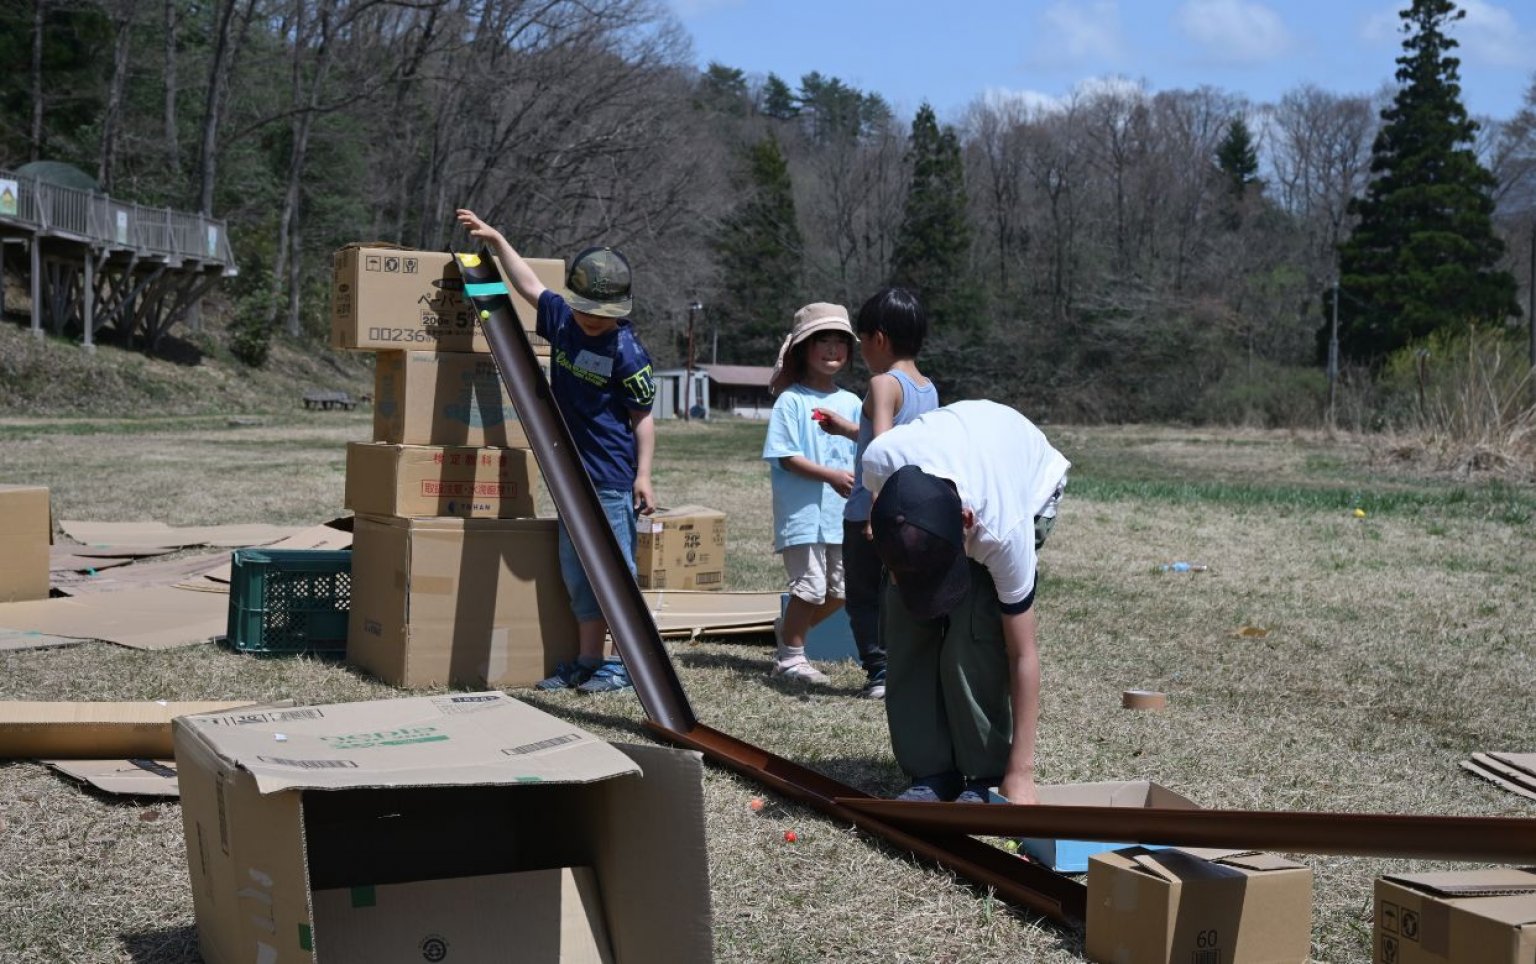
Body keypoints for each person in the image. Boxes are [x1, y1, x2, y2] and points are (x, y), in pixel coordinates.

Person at [456, 208, 656, 694]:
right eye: (585, 309)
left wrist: (643, 476)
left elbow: (643, 420)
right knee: (578, 572)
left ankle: (625, 664)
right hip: (568, 474)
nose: (591, 320)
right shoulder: (563, 321)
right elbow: (528, 285)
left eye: (602, 314)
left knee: (614, 572)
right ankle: (589, 660)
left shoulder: (628, 353)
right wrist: (498, 241)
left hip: (609, 479)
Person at [862, 400, 1069, 805]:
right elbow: (886, 512)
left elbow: (1022, 653)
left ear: (967, 522)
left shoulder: (1004, 531)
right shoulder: (879, 458)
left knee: (975, 633)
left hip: (1027, 482)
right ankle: (931, 770)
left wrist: (1020, 772)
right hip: (951, 478)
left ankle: (984, 772)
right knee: (906, 625)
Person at [811, 287, 938, 700]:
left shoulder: (882, 384)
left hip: (873, 508)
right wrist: (849, 429)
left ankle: (880, 671)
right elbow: (904, 442)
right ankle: (908, 666)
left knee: (863, 598)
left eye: (861, 340)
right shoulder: (927, 388)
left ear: (878, 339)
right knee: (899, 593)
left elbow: (883, 450)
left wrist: (874, 513)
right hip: (914, 508)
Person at [761, 303, 864, 683]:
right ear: (804, 348)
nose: (833, 349)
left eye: (841, 341)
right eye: (823, 340)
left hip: (841, 516)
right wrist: (831, 476)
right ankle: (791, 658)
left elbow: (867, 451)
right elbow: (786, 457)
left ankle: (789, 631)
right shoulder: (791, 401)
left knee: (841, 591)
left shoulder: (852, 403)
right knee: (810, 588)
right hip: (802, 514)